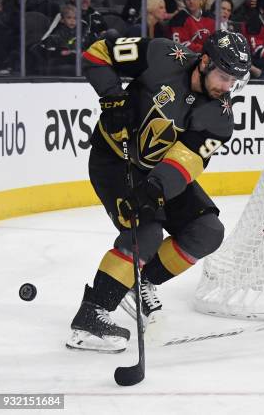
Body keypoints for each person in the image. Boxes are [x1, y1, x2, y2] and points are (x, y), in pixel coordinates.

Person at [66, 30, 252, 353]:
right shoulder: (163, 55)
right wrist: (112, 98)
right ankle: (91, 315)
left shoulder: (220, 118)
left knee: (207, 231)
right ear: (205, 62)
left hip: (159, 175)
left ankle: (138, 283)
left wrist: (154, 190)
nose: (227, 88)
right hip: (113, 161)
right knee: (147, 233)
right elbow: (97, 53)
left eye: (234, 82)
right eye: (223, 77)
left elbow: (186, 162)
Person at [38, 5, 82, 75]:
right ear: (62, 20)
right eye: (69, 18)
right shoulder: (57, 33)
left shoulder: (80, 33)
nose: (72, 20)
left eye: (75, 18)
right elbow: (49, 48)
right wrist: (61, 51)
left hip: (75, 60)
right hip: (61, 60)